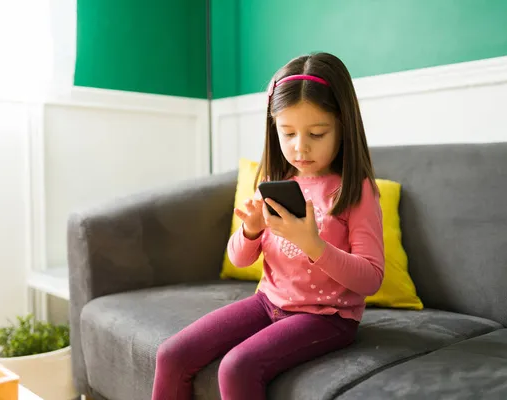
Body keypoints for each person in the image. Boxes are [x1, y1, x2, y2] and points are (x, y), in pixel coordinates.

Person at [151, 52, 385, 400]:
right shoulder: (277, 182)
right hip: (267, 302)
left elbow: (371, 278)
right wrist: (251, 231)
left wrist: (314, 245)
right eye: (287, 133)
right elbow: (240, 260)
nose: (300, 147)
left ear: (343, 127)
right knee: (171, 355)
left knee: (237, 367)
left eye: (317, 133)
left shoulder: (355, 190)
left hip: (328, 317)